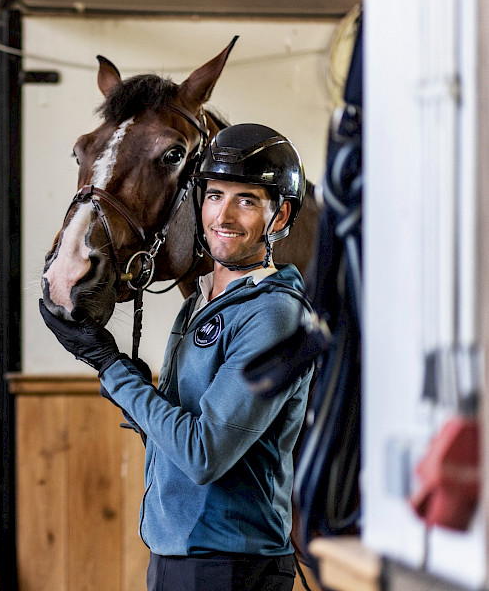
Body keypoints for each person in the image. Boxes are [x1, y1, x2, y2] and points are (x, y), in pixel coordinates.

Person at [40, 123, 315, 591]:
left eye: (247, 201)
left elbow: (203, 453)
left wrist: (111, 369)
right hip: (176, 557)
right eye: (215, 196)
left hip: (232, 566)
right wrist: (123, 381)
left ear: (280, 215)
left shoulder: (274, 315)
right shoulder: (198, 305)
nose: (223, 215)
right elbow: (171, 440)